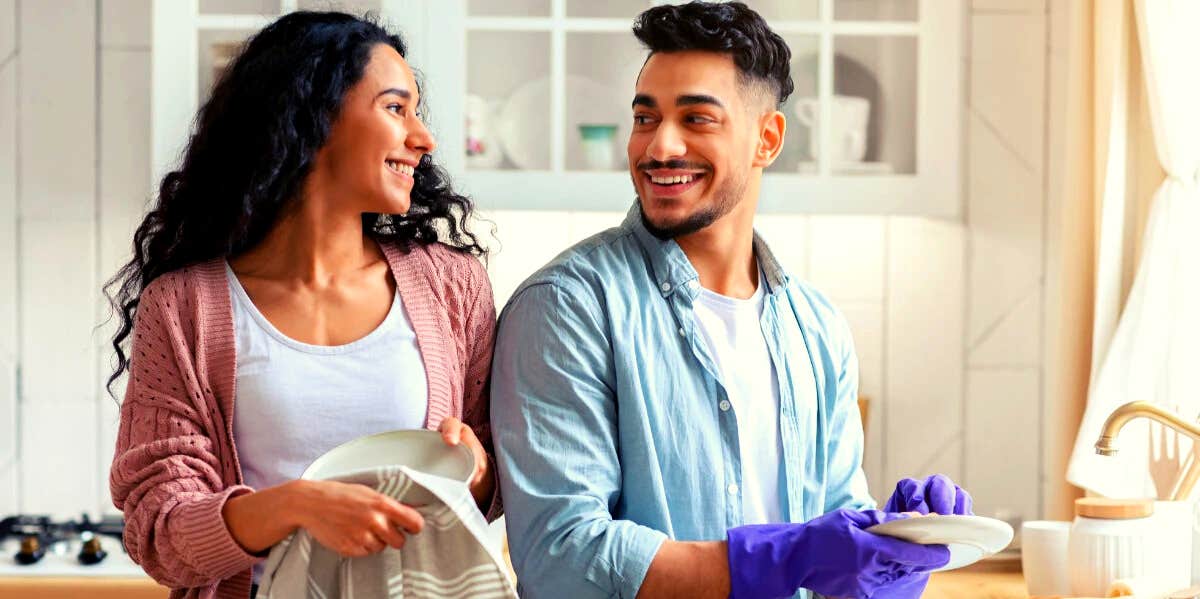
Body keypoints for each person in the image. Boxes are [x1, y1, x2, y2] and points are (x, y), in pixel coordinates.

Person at [490, 3, 970, 598]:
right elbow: (562, 557)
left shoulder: (815, 329)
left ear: (766, 140)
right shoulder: (569, 309)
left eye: (696, 118)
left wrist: (897, 548)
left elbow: (840, 569)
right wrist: (787, 558)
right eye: (646, 118)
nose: (659, 147)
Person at [105, 12, 499, 599]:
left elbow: (496, 488)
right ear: (312, 117)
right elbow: (159, 530)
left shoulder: (452, 285)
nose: (424, 137)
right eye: (396, 108)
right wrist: (295, 506)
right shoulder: (185, 306)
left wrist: (480, 472)